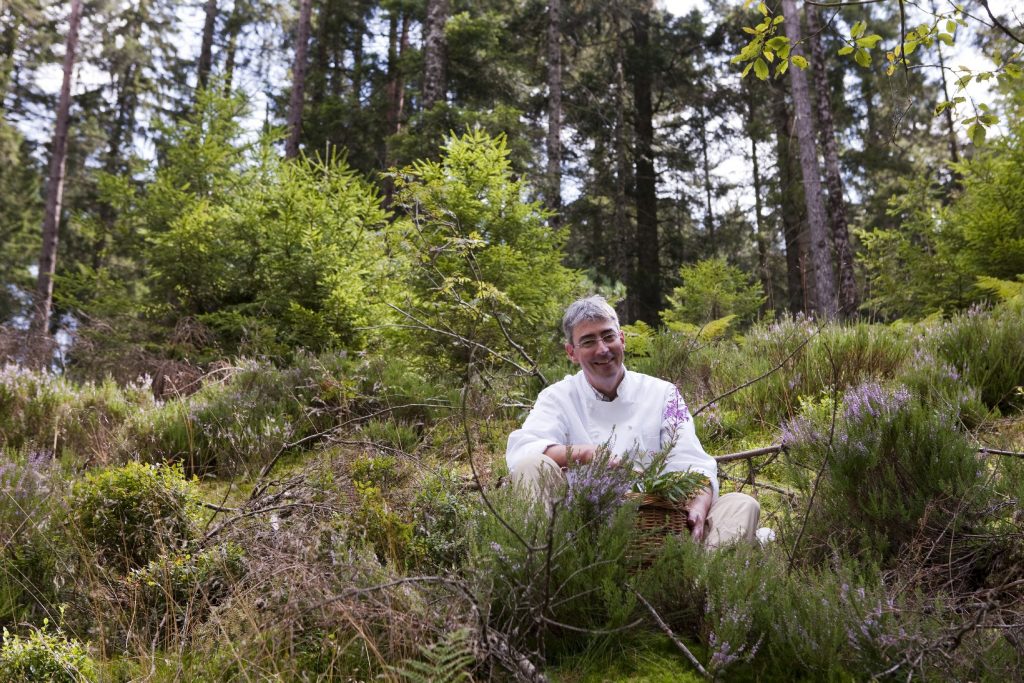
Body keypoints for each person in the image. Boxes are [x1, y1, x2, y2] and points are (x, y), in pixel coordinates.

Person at [506, 295, 760, 548]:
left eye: (608, 336)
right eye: (588, 341)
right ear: (571, 352)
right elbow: (523, 451)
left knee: (741, 505)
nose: (603, 349)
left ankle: (699, 583)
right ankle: (547, 573)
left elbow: (693, 462)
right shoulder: (557, 397)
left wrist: (699, 503)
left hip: (663, 525)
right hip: (582, 531)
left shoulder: (663, 394)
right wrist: (584, 453)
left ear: (622, 339)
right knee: (532, 465)